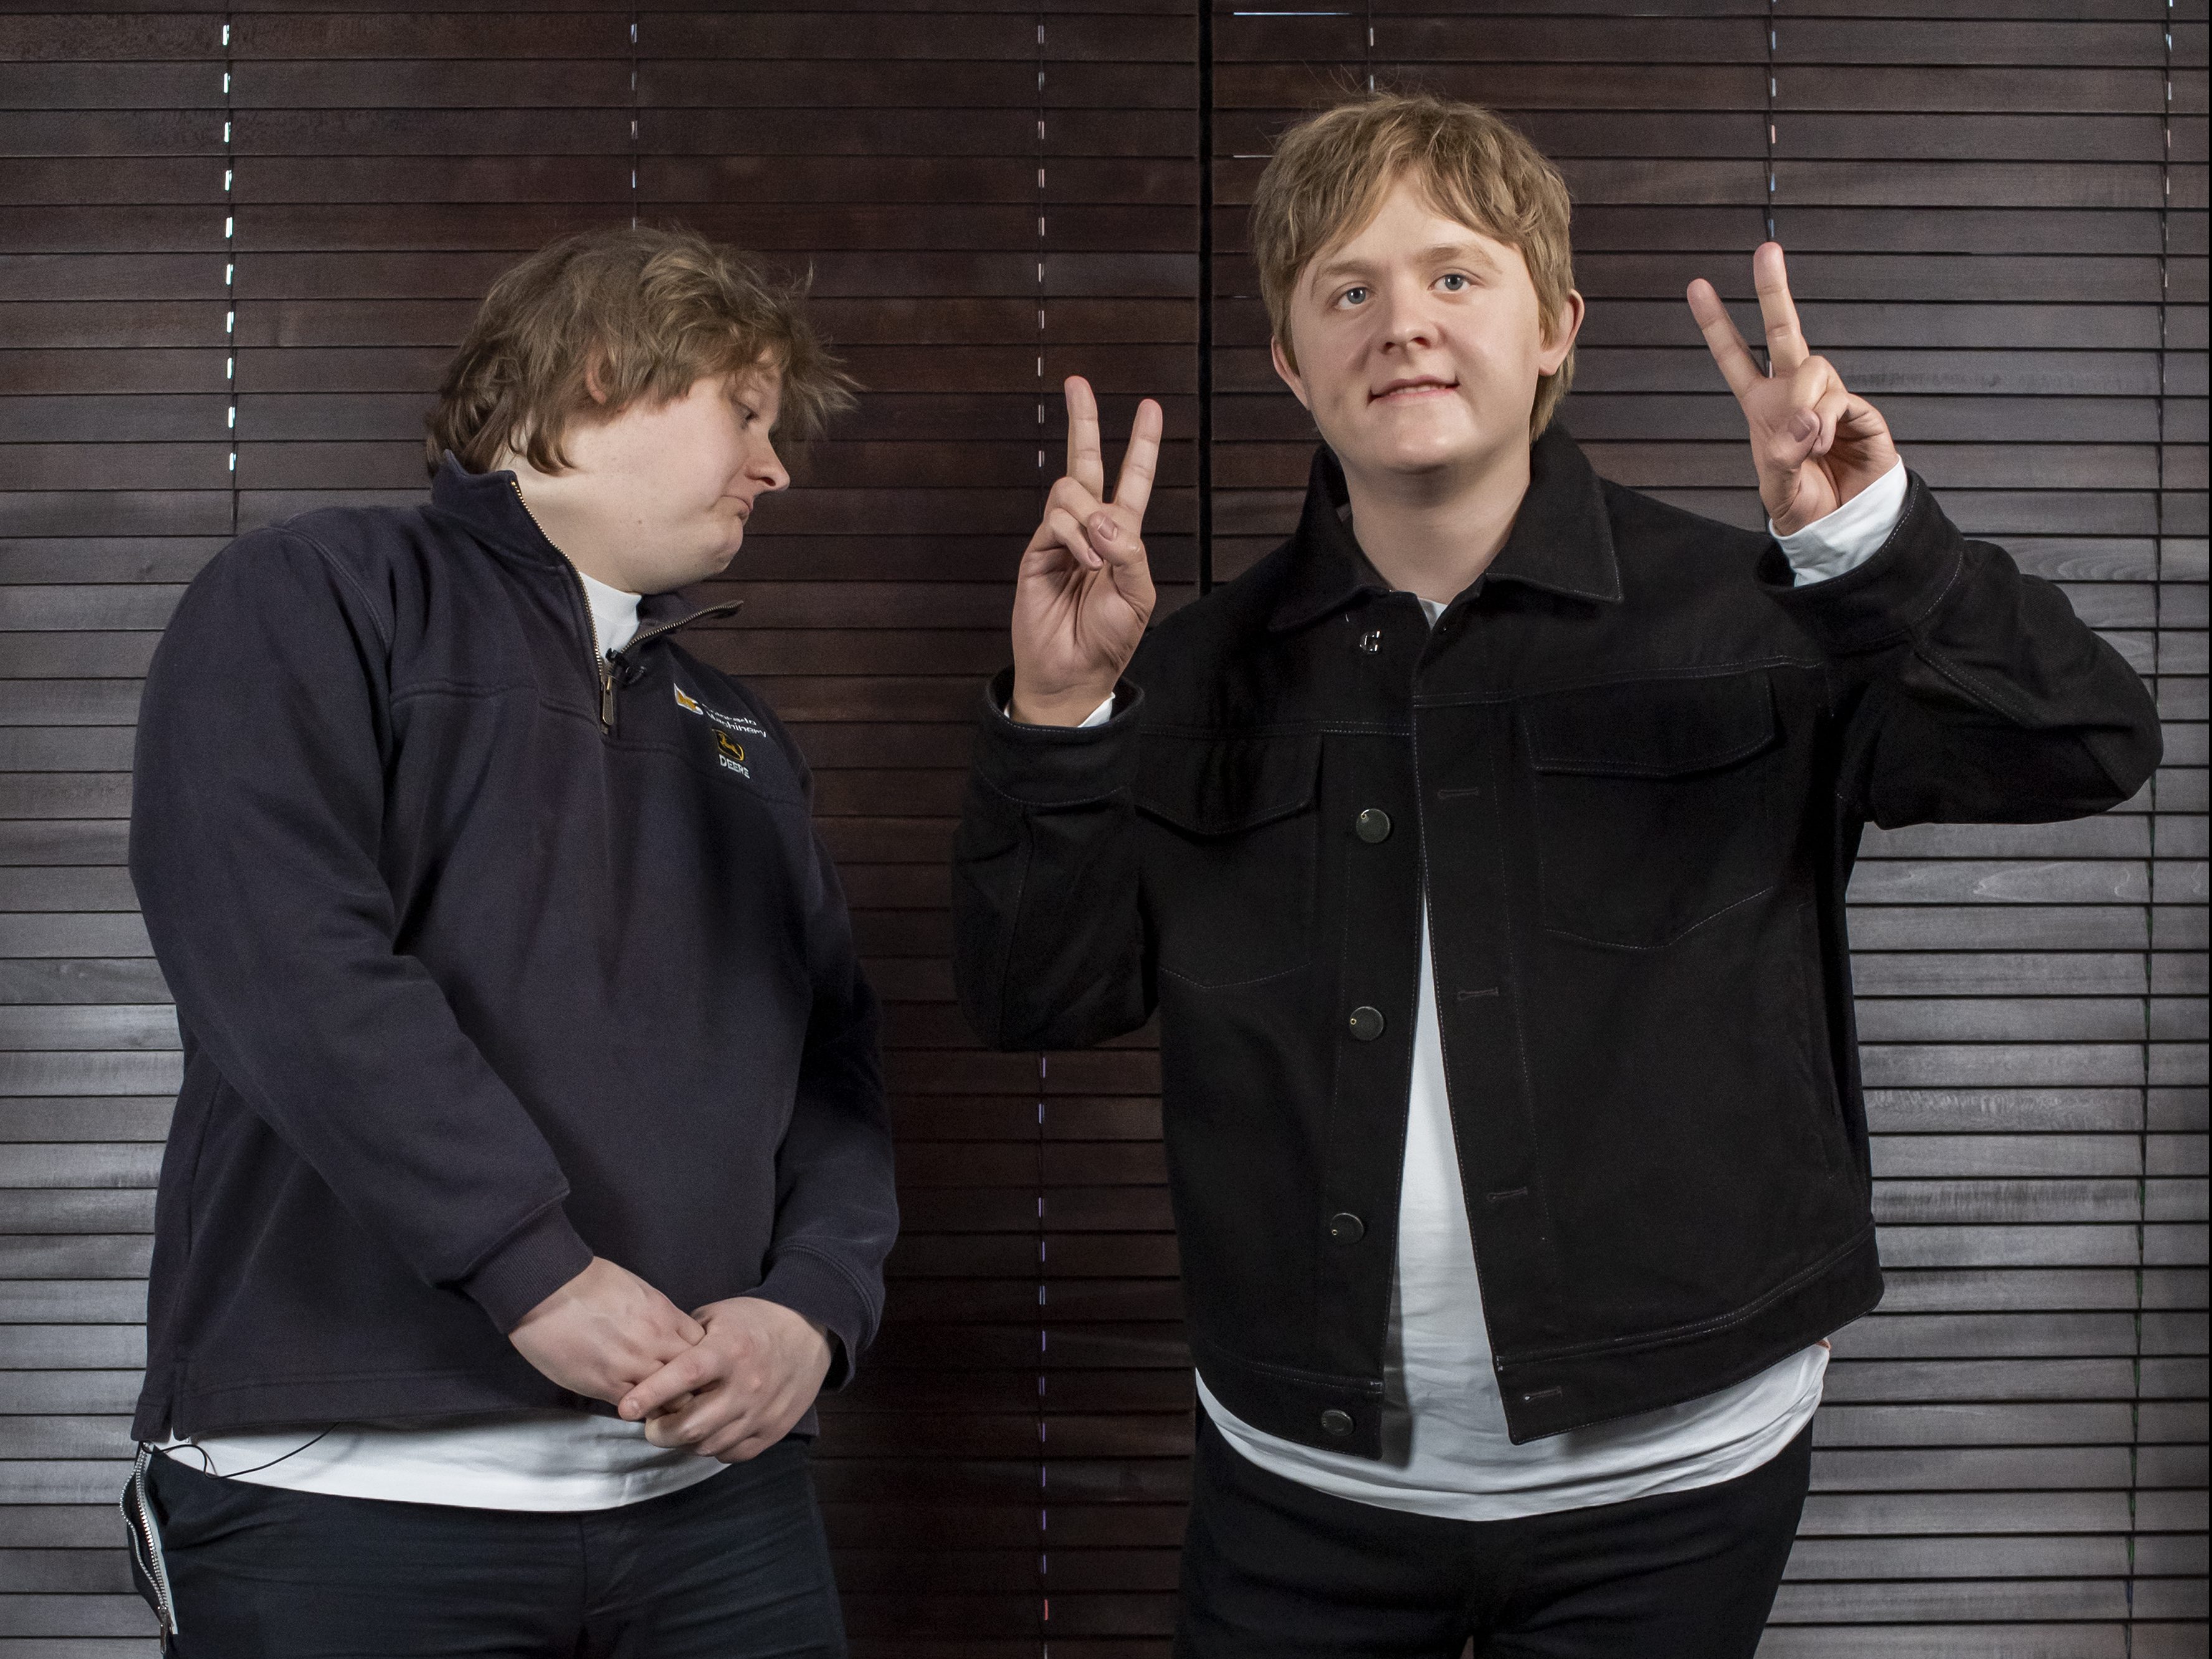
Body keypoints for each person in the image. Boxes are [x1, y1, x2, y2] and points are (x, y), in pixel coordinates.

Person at [950, 93, 2160, 1657]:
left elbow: (2087, 744)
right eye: (1346, 289)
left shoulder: (1763, 612)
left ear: (1552, 327)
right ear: (1286, 361)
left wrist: (1873, 543)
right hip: (1298, 1484)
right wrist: (1060, 718)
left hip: (1676, 1485)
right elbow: (1034, 988)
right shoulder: (1178, 667)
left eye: (1456, 275)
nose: (1402, 323)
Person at [122, 225, 897, 1657]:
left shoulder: (739, 731)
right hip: (344, 1508)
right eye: (747, 407)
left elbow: (833, 1067)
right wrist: (525, 1263)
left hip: (715, 1519)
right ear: (604, 370)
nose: (774, 464)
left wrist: (812, 1309)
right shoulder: (311, 598)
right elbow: (287, 963)